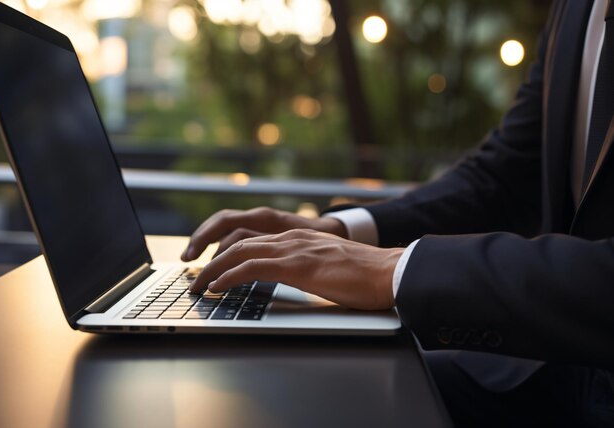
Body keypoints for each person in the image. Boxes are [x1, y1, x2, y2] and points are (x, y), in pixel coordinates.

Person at [181, 0, 614, 426]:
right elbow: (505, 175)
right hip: (552, 370)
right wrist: (340, 230)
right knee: (292, 384)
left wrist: (393, 269)